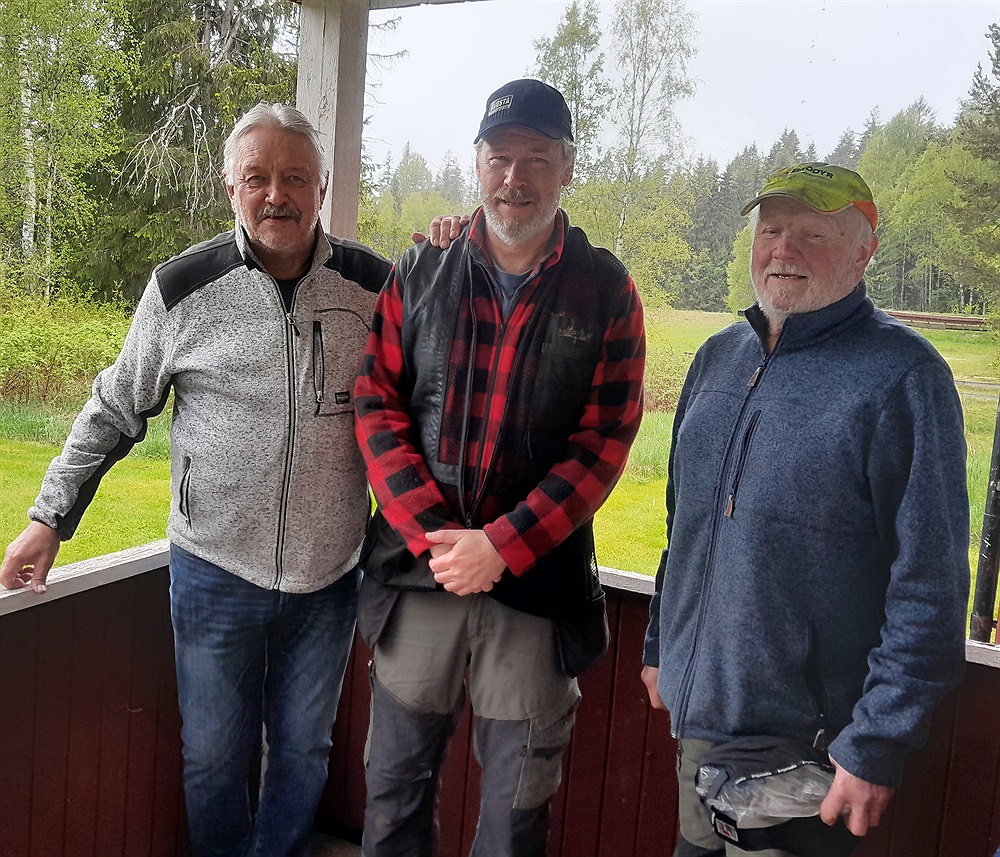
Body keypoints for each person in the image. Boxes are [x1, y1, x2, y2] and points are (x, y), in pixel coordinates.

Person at [0, 103, 392, 857]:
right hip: (215, 569)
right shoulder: (182, 288)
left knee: (305, 751)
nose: (276, 194)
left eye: (295, 178)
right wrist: (49, 518)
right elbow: (116, 407)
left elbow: (420, 400)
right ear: (230, 187)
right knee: (212, 756)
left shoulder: (374, 288)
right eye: (257, 177)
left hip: (330, 575)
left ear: (322, 187)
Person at [641, 162, 970, 857]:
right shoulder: (717, 359)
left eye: (814, 234)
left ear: (864, 250)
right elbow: (684, 527)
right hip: (703, 724)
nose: (784, 250)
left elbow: (931, 584)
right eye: (772, 230)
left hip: (809, 748)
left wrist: (875, 741)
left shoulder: (904, 379)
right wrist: (658, 647)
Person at [353, 78, 646, 857]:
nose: (516, 178)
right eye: (500, 158)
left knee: (516, 815)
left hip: (538, 587)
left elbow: (604, 440)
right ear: (477, 163)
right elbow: (377, 403)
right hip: (421, 574)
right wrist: (439, 537)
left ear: (568, 167)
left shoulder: (607, 290)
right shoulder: (420, 271)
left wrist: (503, 545)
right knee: (393, 793)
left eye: (537, 159)